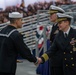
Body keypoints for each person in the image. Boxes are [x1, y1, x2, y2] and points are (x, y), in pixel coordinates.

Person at [49, 5, 65, 75]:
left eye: (52, 14)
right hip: (54, 59)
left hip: (59, 59)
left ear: (58, 15)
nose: (50, 16)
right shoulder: (54, 26)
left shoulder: (60, 28)